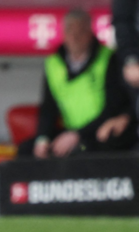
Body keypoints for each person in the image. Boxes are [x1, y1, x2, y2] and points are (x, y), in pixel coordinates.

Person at [32, 10, 136, 157]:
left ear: (89, 33)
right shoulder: (53, 63)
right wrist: (42, 139)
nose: (74, 37)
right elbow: (48, 109)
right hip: (70, 131)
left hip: (100, 130)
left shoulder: (109, 58)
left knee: (108, 141)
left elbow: (114, 106)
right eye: (69, 31)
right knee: (29, 149)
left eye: (80, 31)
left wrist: (78, 135)